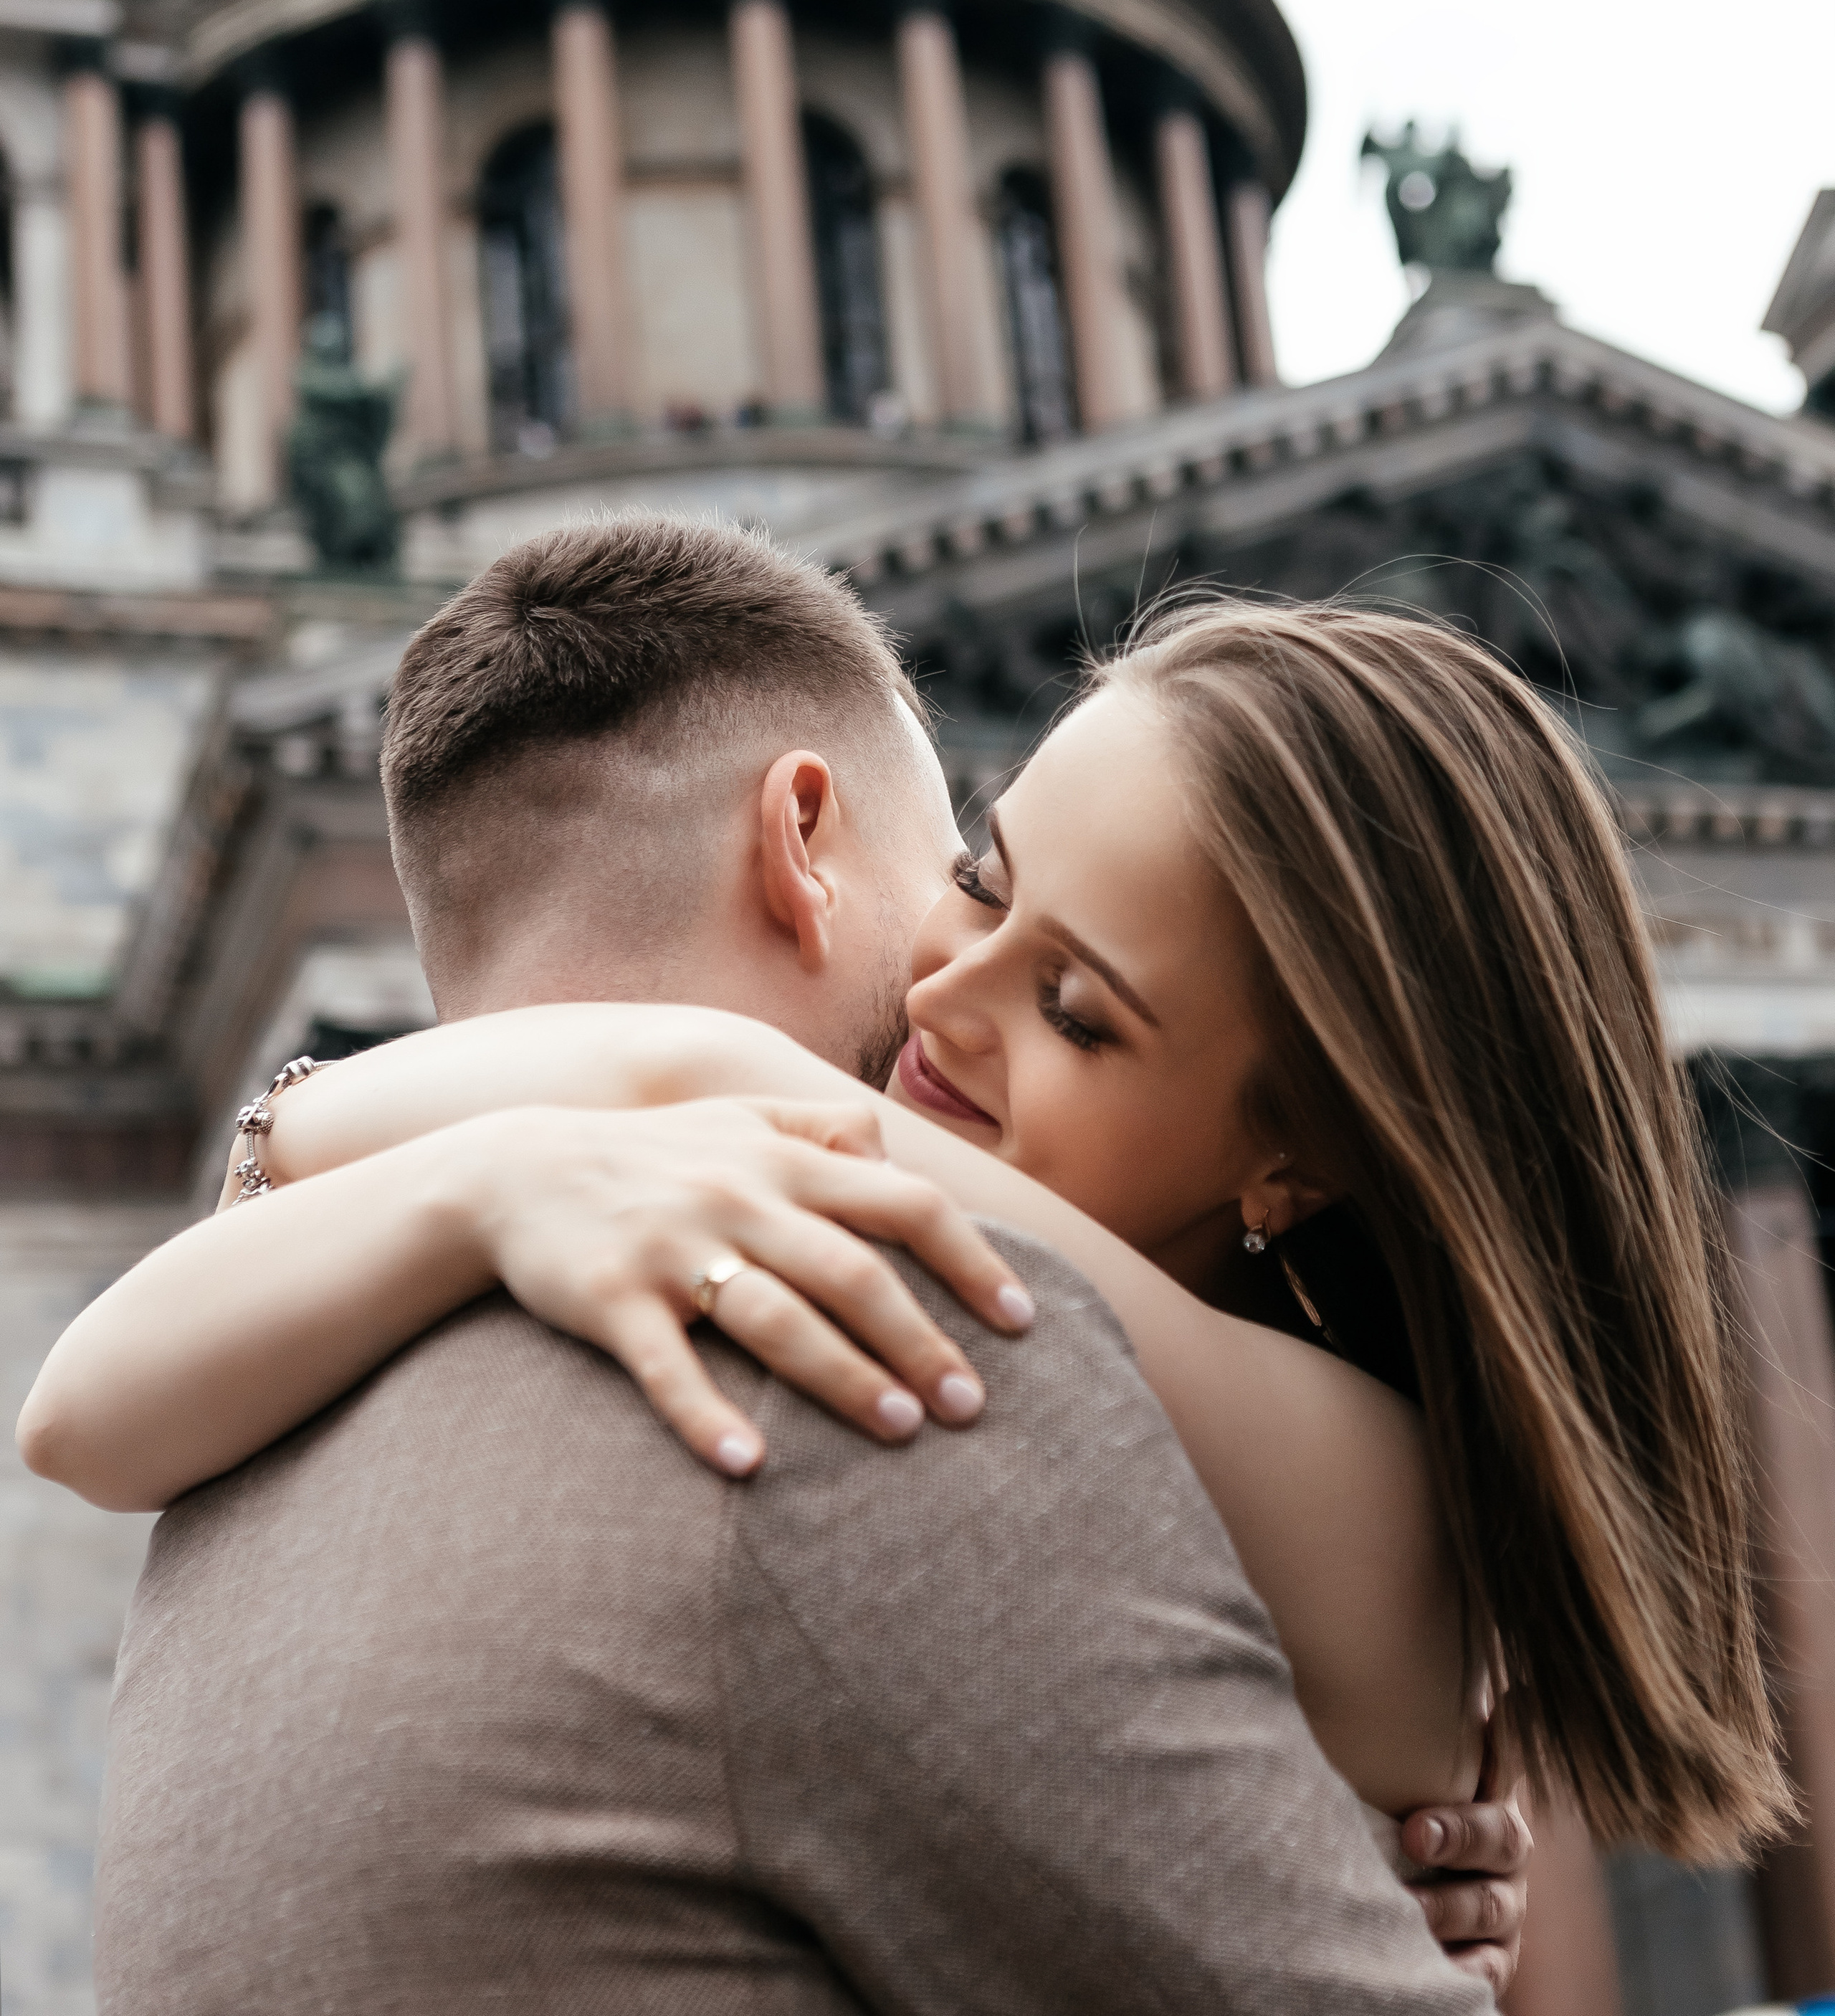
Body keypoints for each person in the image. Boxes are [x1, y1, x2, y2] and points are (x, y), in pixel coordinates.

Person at [21, 524, 1776, 1979]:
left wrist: (334, 1137)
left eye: (1078, 1011)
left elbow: (706, 1076)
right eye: (983, 876)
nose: (944, 993)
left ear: (1291, 1161)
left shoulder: (957, 1331)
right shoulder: (1101, 1389)